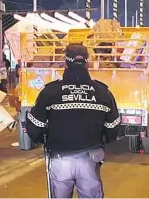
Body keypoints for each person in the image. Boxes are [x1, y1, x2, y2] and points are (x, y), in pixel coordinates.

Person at [25, 43, 120, 198]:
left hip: (60, 158)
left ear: (65, 63)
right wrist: (101, 140)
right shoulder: (102, 92)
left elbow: (35, 126)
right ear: (87, 64)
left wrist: (45, 140)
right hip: (90, 157)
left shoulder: (51, 91)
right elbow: (113, 127)